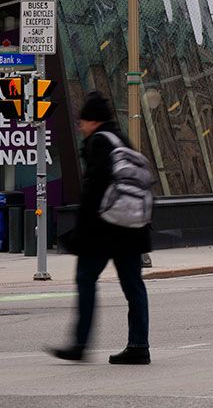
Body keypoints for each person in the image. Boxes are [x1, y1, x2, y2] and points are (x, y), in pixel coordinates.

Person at [50, 91, 152, 365]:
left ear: (93, 121)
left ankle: (79, 344)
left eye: (82, 122)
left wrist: (79, 234)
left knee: (85, 278)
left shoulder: (98, 142)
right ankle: (139, 345)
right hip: (132, 227)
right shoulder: (122, 141)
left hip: (104, 231)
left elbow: (93, 192)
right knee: (134, 286)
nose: (80, 127)